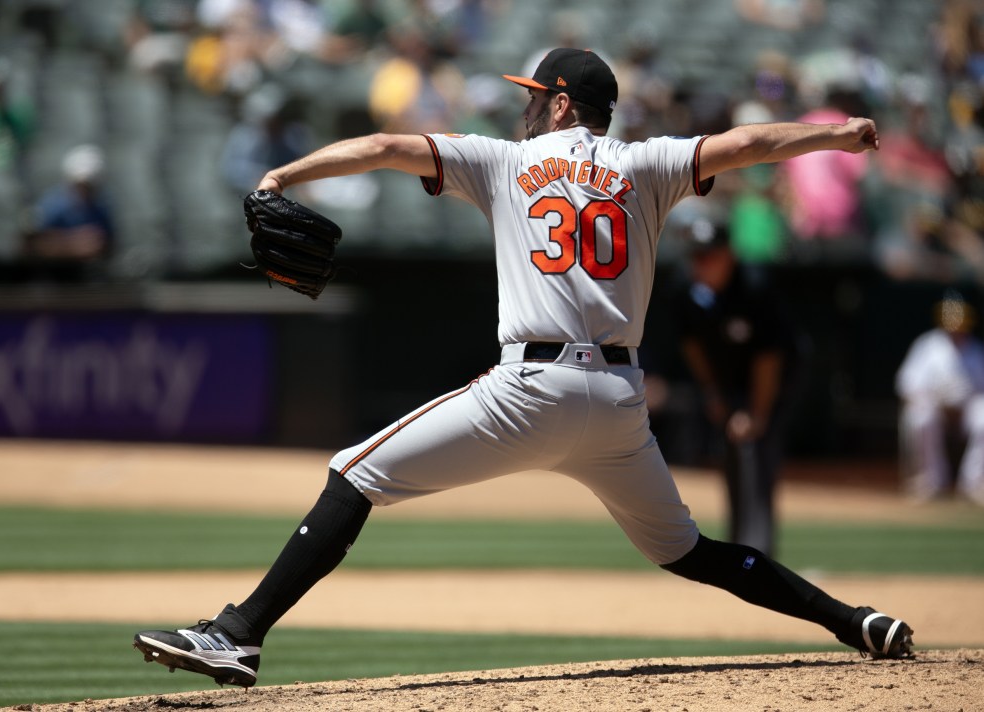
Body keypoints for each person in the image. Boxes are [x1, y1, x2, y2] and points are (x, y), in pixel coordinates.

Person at [133, 48, 914, 688]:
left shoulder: (502, 161)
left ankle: (237, 634)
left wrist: (281, 178)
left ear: (565, 103)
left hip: (530, 388)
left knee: (353, 473)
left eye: (537, 94)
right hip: (616, 400)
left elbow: (383, 147)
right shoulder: (647, 165)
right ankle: (856, 623)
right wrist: (836, 134)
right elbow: (748, 144)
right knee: (689, 552)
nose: (527, 104)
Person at [675, 218, 809, 556]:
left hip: (778, 376)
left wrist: (758, 413)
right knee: (732, 453)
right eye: (697, 256)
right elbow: (692, 347)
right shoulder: (685, 288)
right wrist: (714, 394)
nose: (702, 264)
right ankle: (738, 547)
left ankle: (760, 551)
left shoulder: (754, 287)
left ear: (729, 255)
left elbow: (769, 359)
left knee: (759, 449)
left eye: (710, 255)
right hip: (728, 375)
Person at [896, 292, 984, 505]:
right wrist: (932, 402)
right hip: (935, 409)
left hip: (965, 411)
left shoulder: (975, 349)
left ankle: (974, 484)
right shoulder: (928, 345)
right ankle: (932, 482)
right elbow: (906, 385)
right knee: (922, 416)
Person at [24, 144, 115, 261]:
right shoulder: (52, 206)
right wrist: (72, 245)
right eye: (81, 185)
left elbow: (109, 243)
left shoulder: (101, 207)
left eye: (90, 186)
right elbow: (31, 244)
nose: (85, 190)